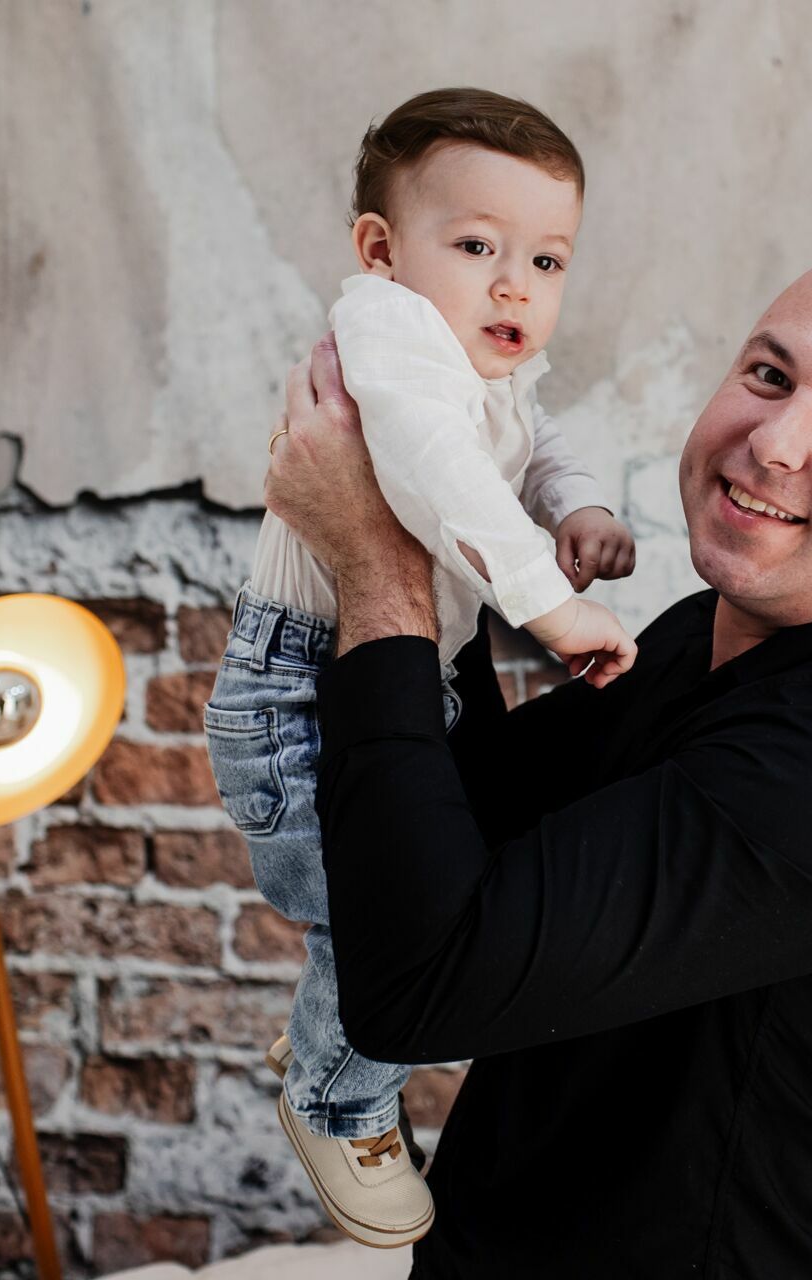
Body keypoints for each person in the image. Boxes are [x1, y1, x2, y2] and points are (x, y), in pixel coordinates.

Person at [265, 254, 812, 1277]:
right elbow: (469, 804)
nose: (775, 439)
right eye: (768, 374)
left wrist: (375, 559)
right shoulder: (702, 636)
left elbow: (417, 980)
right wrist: (430, 501)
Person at [203, 87, 639, 1249]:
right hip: (298, 687)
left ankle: (327, 1038)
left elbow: (540, 437)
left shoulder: (485, 358)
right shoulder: (389, 336)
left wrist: (579, 503)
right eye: (478, 246)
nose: (515, 285)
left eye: (546, 258)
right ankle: (335, 1099)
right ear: (382, 251)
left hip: (399, 671)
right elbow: (438, 469)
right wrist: (546, 601)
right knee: (374, 916)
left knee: (423, 887)